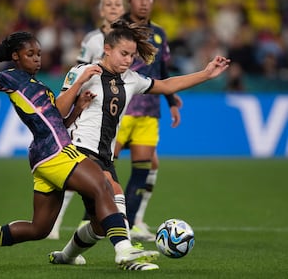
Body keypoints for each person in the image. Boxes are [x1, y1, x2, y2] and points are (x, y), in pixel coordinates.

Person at [0, 19, 160, 271]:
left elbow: (59, 123)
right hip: (55, 152)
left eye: (39, 54)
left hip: (43, 156)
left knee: (39, 228)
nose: (37, 58)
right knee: (103, 185)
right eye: (30, 54)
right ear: (15, 57)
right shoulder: (12, 79)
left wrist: (79, 109)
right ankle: (123, 249)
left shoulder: (38, 86)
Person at [49, 19, 230, 268]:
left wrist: (206, 74)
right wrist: (79, 83)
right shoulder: (83, 72)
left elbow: (166, 85)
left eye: (132, 56)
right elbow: (57, 111)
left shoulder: (132, 79)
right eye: (123, 54)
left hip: (104, 156)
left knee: (100, 225)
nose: (128, 60)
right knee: (114, 191)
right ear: (108, 49)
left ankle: (66, 256)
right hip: (78, 150)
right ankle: (125, 252)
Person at [47, 0, 126, 240]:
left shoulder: (128, 39)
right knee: (88, 174)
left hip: (112, 114)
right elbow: (79, 71)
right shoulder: (93, 40)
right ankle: (57, 225)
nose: (113, 8)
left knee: (100, 179)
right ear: (101, 11)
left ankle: (88, 231)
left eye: (117, 4)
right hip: (89, 112)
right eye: (108, 5)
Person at [113, 0, 182, 241]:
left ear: (153, 1)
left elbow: (162, 72)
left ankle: (127, 229)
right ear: (130, 0)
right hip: (119, 108)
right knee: (103, 166)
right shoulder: (119, 29)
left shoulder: (159, 34)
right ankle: (96, 217)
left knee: (141, 171)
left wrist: (172, 101)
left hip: (149, 112)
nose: (143, 2)